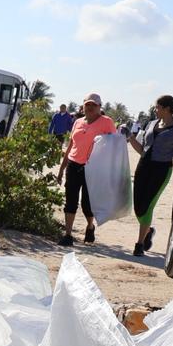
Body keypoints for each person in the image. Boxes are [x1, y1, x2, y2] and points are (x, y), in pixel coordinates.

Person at [128, 94, 173, 256]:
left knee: (148, 205)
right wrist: (129, 137)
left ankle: (139, 244)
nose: (155, 110)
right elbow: (142, 150)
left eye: (157, 107)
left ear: (167, 109)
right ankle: (148, 231)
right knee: (138, 207)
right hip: (143, 167)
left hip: (161, 170)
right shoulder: (152, 124)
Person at [55, 93, 117, 246]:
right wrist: (62, 169)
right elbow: (70, 146)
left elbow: (114, 146)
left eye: (93, 105)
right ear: (83, 106)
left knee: (87, 204)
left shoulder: (106, 122)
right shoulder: (77, 122)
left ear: (99, 107)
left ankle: (90, 226)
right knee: (70, 200)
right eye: (87, 104)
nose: (90, 107)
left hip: (93, 168)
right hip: (74, 164)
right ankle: (68, 235)